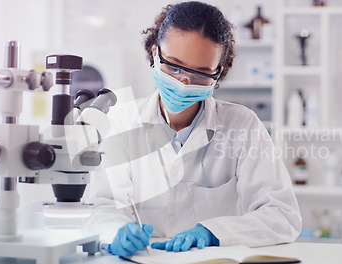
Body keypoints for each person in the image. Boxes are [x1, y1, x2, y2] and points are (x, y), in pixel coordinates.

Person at [86, 1, 301, 258]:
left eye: (200, 73)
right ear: (155, 53)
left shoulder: (242, 125)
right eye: (174, 66)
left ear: (218, 72)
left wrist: (212, 232)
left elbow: (281, 215)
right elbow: (103, 206)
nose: (183, 83)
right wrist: (116, 233)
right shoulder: (122, 123)